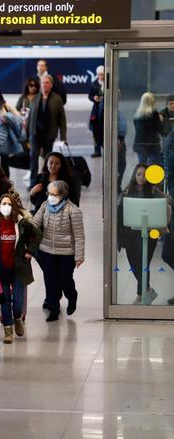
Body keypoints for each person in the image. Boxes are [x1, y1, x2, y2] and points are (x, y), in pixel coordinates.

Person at [0, 195, 43, 343]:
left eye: (9, 204)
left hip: (18, 268)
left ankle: (18, 318)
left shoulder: (22, 223)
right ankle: (8, 330)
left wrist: (30, 251)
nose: (6, 206)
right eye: (3, 203)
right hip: (1, 269)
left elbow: (38, 235)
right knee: (4, 300)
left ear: (13, 207)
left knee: (18, 301)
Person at [118, 164, 173, 305]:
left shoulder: (154, 191)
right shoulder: (127, 191)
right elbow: (120, 212)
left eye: (144, 174)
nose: (141, 177)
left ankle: (140, 296)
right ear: (134, 176)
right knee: (135, 264)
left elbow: (167, 204)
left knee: (143, 263)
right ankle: (147, 290)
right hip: (131, 235)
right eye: (138, 174)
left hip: (149, 234)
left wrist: (164, 199)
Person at [31, 181, 85, 321]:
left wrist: (79, 256)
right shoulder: (45, 206)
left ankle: (72, 296)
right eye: (49, 193)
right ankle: (54, 309)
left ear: (62, 195)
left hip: (66, 253)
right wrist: (26, 222)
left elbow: (79, 235)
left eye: (54, 194)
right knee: (50, 281)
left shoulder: (73, 210)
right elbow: (35, 223)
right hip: (47, 250)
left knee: (65, 279)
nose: (51, 197)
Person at [27, 74, 67, 186]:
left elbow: (62, 119)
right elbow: (30, 117)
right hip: (35, 134)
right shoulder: (35, 97)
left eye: (47, 83)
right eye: (43, 82)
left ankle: (45, 181)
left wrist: (63, 137)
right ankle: (33, 182)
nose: (44, 85)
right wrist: (26, 134)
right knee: (33, 158)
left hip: (49, 134)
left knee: (48, 160)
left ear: (51, 85)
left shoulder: (57, 99)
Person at [133, 92, 163, 166]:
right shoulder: (154, 114)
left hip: (140, 144)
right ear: (152, 102)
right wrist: (161, 120)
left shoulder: (137, 114)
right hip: (152, 144)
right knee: (153, 168)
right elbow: (159, 129)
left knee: (142, 167)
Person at [88, 66, 105, 158]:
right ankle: (97, 150)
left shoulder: (109, 84)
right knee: (95, 131)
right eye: (99, 74)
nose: (100, 76)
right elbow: (90, 95)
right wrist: (94, 98)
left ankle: (106, 149)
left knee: (104, 131)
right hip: (96, 111)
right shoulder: (94, 84)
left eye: (102, 74)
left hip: (105, 110)